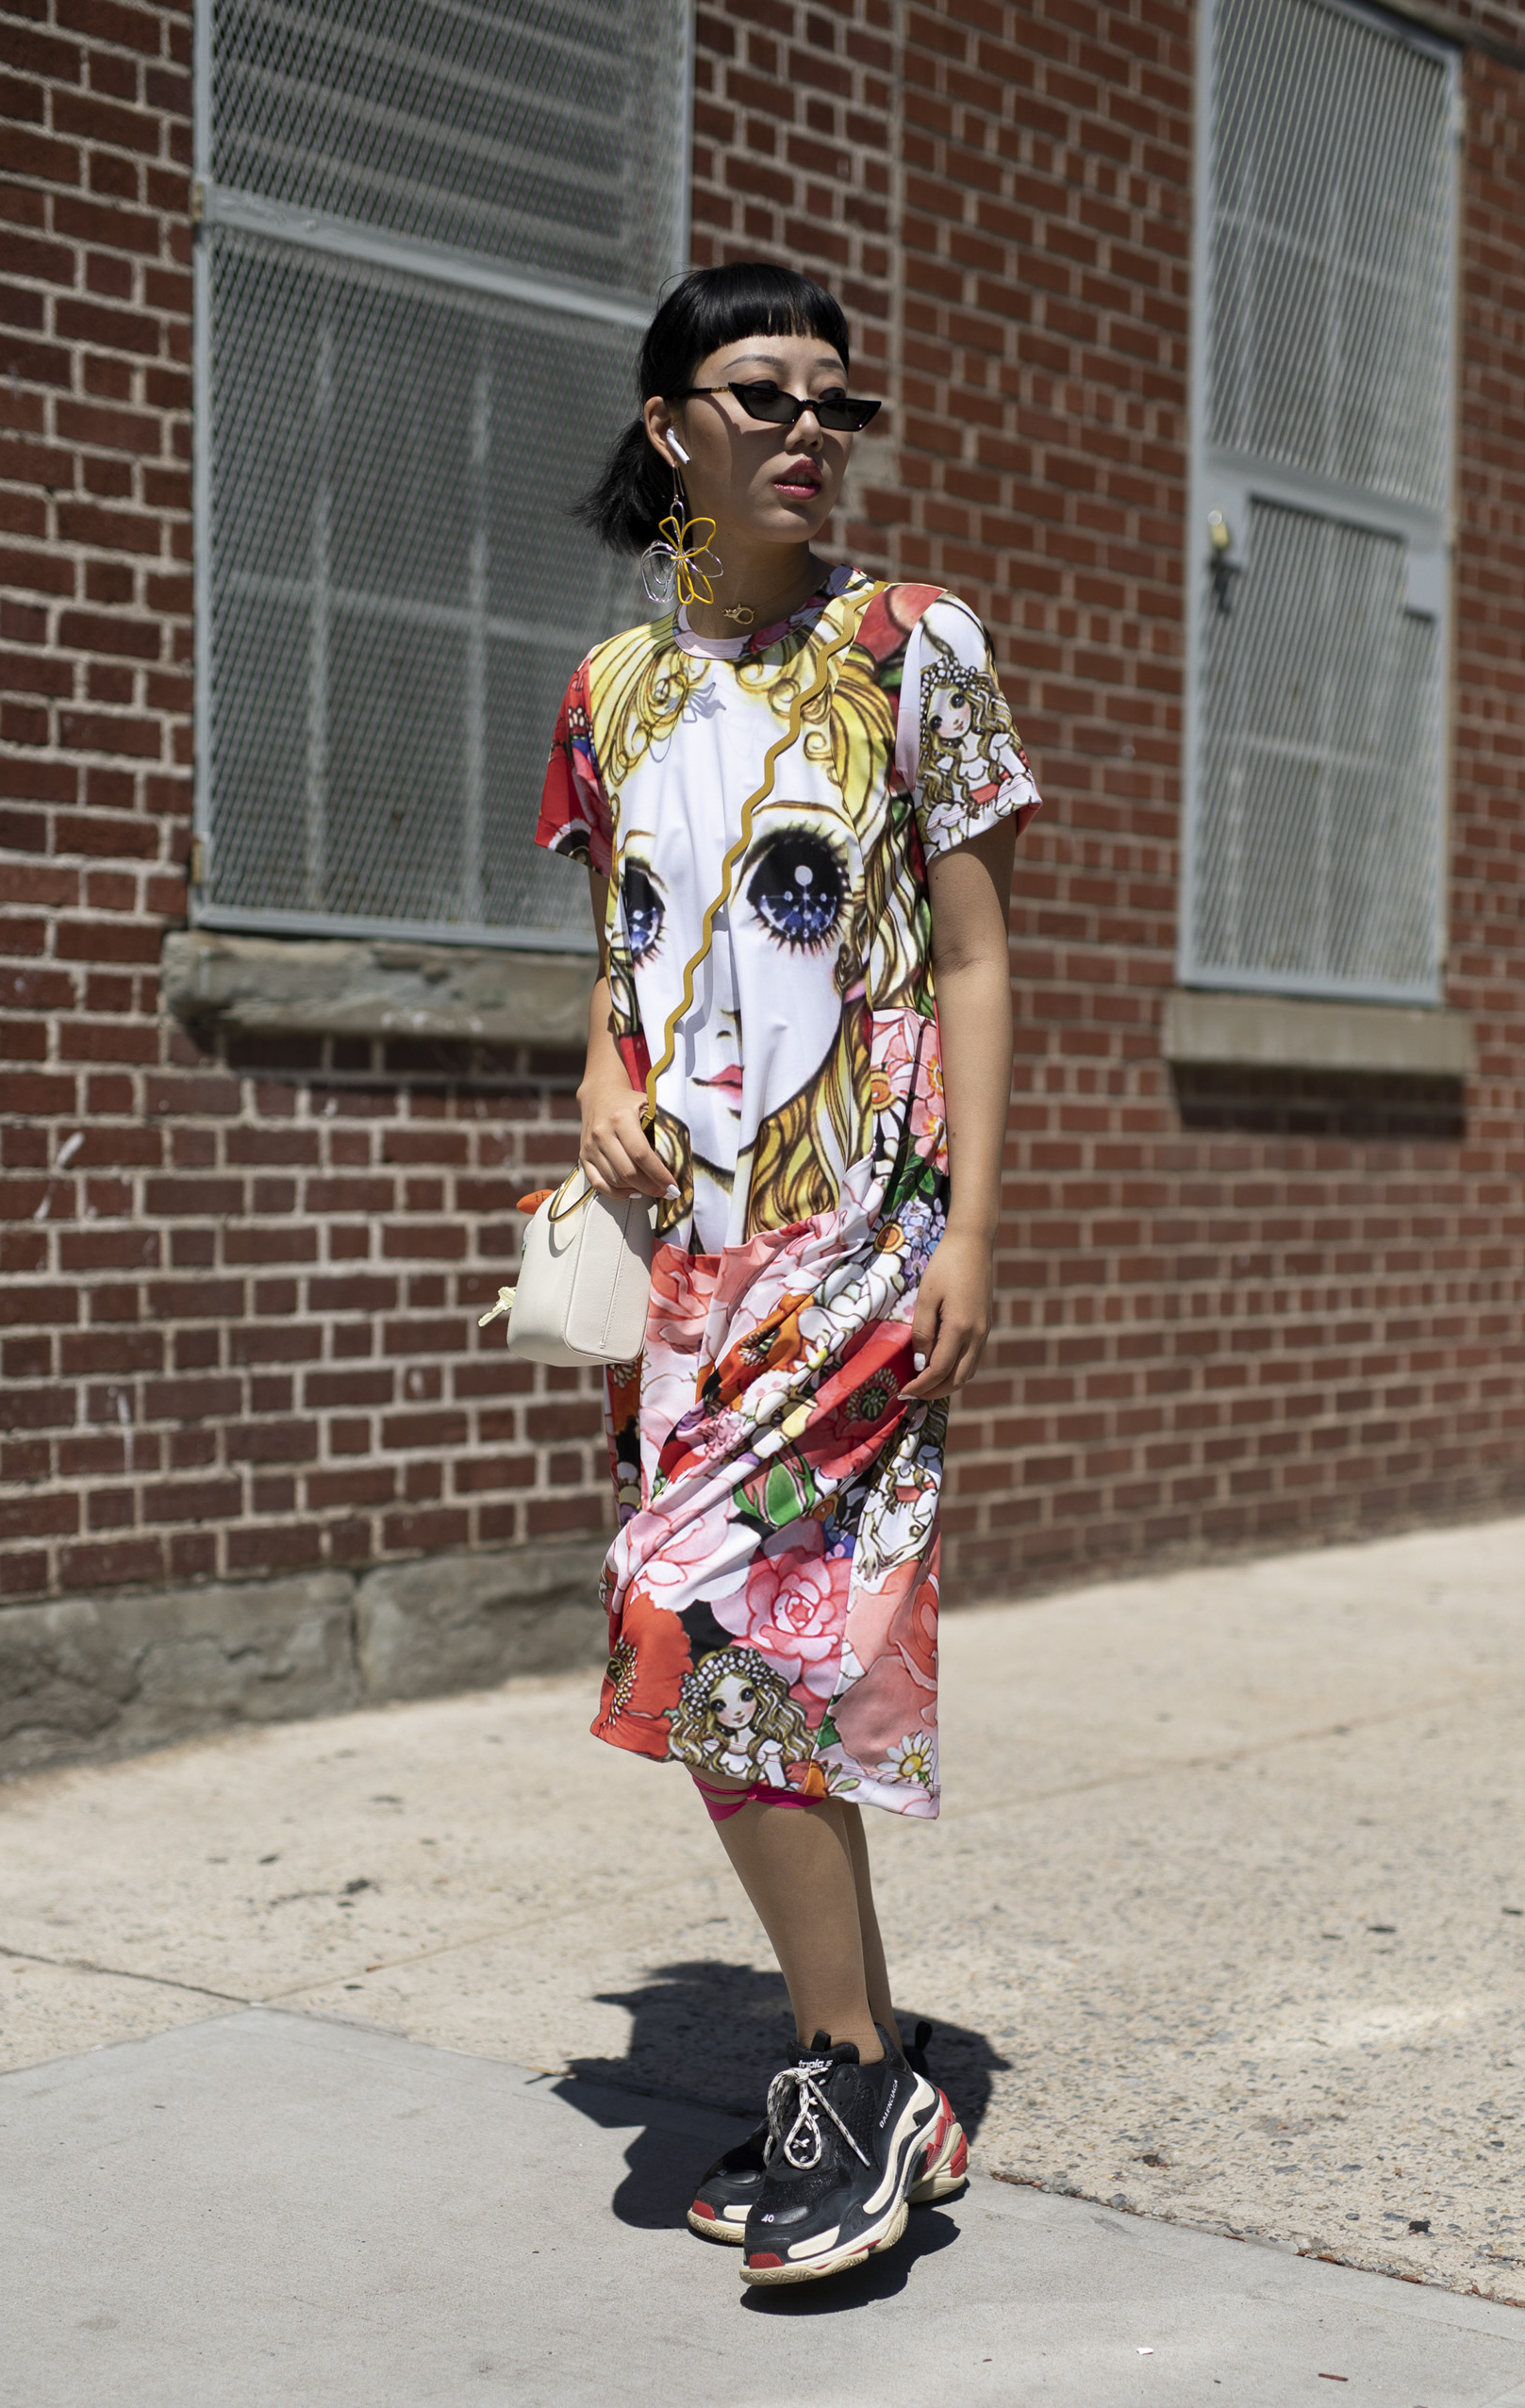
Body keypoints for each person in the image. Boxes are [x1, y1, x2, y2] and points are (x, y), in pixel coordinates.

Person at [535, 262, 1038, 2286]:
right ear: (673, 427)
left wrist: (973, 1231)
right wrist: (600, 1079)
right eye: (766, 395)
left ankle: (848, 2071)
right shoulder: (612, 689)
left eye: (839, 401)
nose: (813, 430)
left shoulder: (911, 643)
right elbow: (626, 948)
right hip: (692, 1258)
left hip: (862, 1227)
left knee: (686, 1613)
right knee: (766, 1658)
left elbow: (977, 952)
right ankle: (872, 2075)